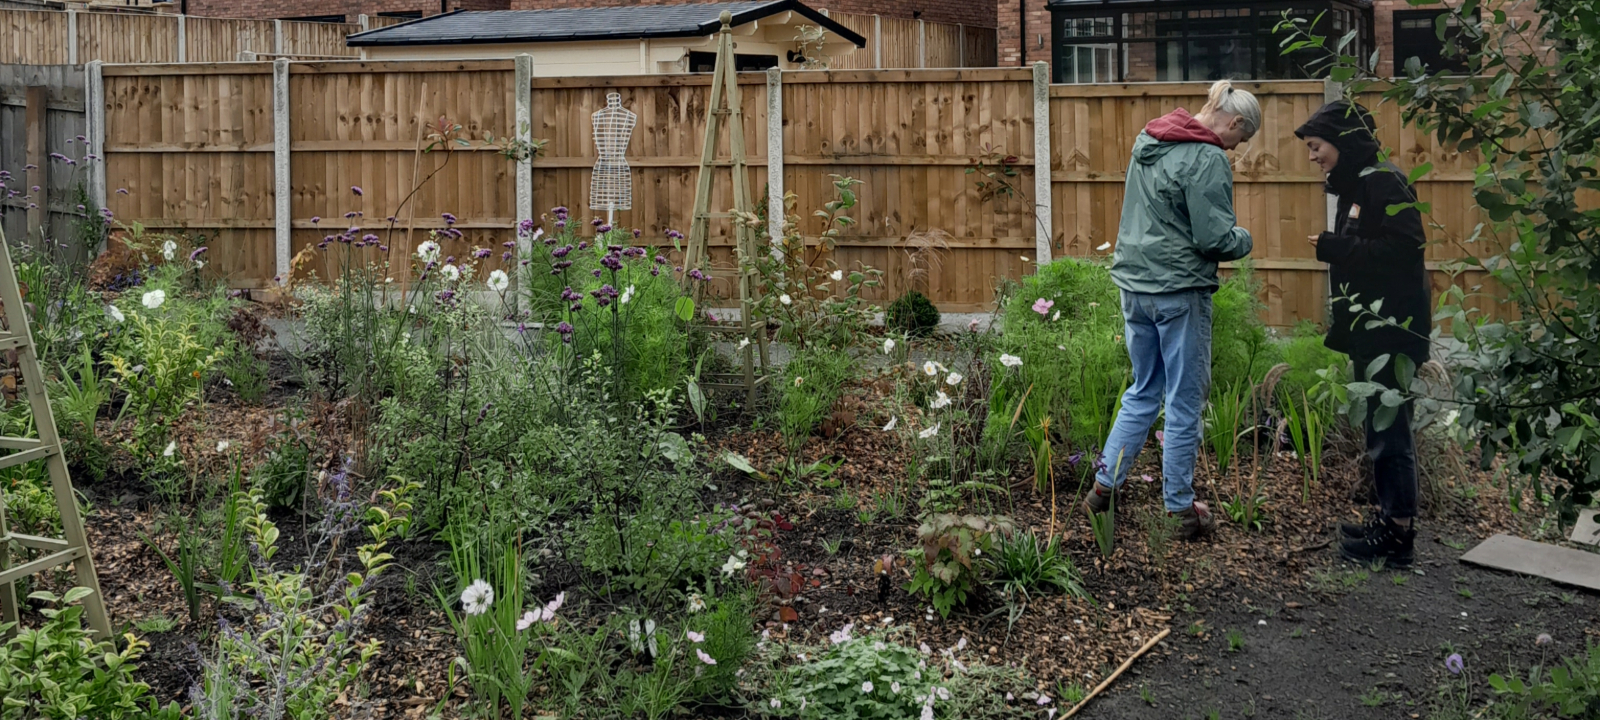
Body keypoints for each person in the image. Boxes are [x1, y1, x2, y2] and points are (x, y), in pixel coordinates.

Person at [1083, 80, 1259, 540]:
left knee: (1144, 389)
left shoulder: (1150, 139)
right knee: (1183, 399)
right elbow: (1213, 238)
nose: (1235, 150)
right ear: (1235, 122)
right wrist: (1245, 239)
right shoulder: (1207, 157)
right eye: (1239, 141)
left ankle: (1103, 488)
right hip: (1178, 291)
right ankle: (1179, 508)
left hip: (1134, 285)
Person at [1295, 100, 1431, 566]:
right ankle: (1388, 519)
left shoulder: (1383, 181)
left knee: (1390, 431)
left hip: (1393, 331)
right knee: (1380, 427)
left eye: (1317, 147)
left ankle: (1397, 536)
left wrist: (1337, 247)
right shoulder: (1359, 184)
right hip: (1372, 330)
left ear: (1342, 141)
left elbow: (1405, 248)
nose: (1313, 157)